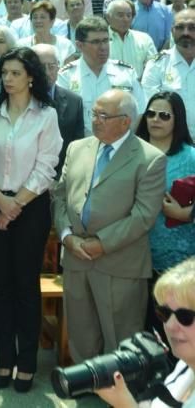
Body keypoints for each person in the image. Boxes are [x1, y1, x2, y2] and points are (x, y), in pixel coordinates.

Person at [52, 89, 167, 361]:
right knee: (81, 330)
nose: (95, 120)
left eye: (104, 115)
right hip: (76, 256)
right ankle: (86, 384)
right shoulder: (77, 148)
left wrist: (101, 243)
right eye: (94, 113)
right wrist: (67, 236)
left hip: (119, 263)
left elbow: (143, 215)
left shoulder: (149, 159)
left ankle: (119, 396)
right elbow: (59, 195)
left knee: (120, 336)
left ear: (126, 121)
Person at [0, 47, 62, 393]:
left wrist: (16, 205)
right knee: (0, 285)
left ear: (31, 76)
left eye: (15, 73)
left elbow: (47, 166)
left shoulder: (46, 115)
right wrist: (0, 201)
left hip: (31, 208)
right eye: (4, 73)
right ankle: (4, 358)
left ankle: (26, 362)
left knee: (26, 284)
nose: (8, 80)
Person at [94, 256, 195, 408]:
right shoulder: (186, 365)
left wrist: (126, 405)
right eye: (164, 313)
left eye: (185, 316)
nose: (170, 325)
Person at [136, 92, 195, 335]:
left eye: (164, 115)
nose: (155, 120)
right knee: (140, 330)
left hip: (178, 258)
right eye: (150, 113)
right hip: (133, 255)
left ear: (177, 120)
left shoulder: (190, 156)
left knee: (175, 328)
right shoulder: (130, 151)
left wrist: (187, 214)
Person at [59, 16, 146, 135]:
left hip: (121, 145)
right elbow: (63, 119)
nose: (103, 47)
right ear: (79, 45)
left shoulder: (125, 73)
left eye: (106, 40)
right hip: (82, 146)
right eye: (96, 42)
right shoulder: (66, 76)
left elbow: (139, 111)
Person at [33, 43, 86, 175]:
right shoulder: (19, 99)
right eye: (40, 67)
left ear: (58, 66)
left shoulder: (74, 101)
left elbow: (76, 148)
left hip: (60, 179)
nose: (46, 73)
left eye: (51, 66)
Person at [142, 8, 195, 138]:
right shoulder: (157, 64)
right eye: (180, 27)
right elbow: (152, 109)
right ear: (172, 31)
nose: (186, 33)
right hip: (171, 142)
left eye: (192, 27)